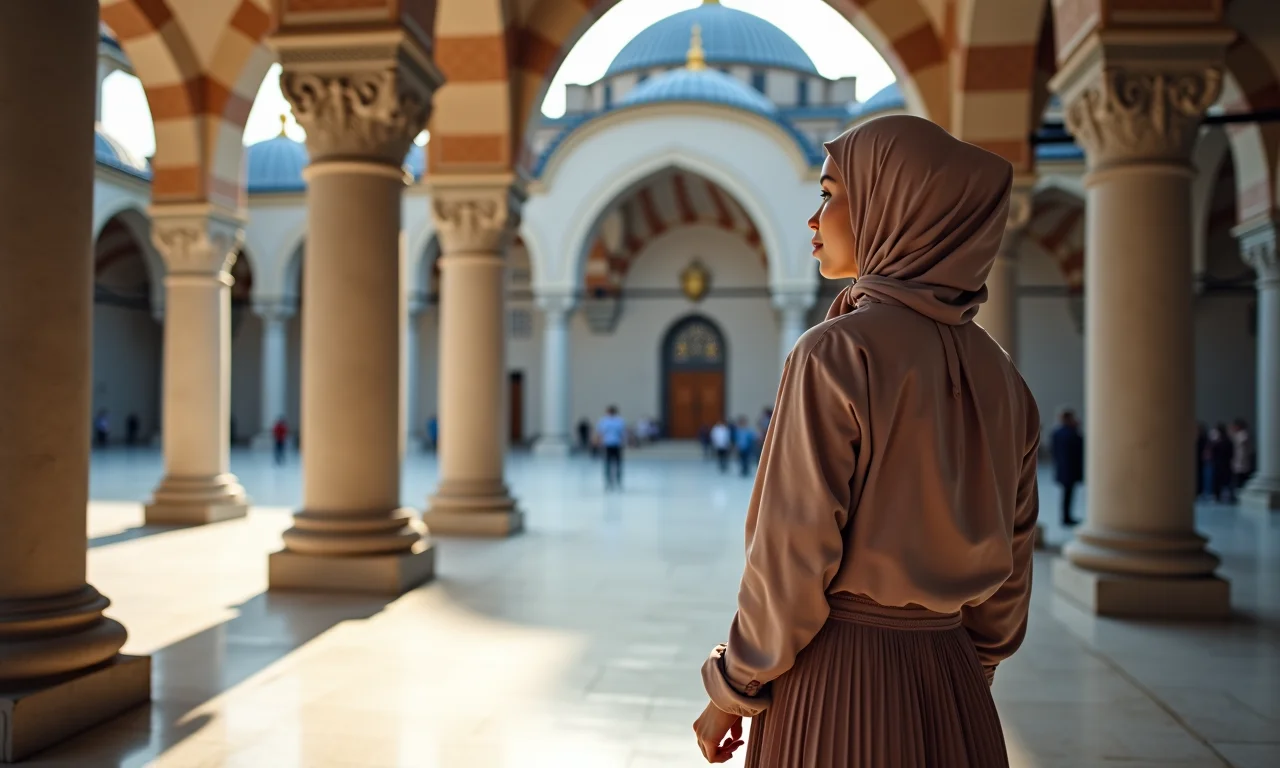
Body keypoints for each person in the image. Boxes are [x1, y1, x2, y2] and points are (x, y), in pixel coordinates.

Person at [693, 116, 1038, 768]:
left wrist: (732, 688)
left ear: (892, 207)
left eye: (829, 194)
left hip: (837, 688)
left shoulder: (835, 353)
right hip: (959, 687)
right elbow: (1010, 576)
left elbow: (792, 559)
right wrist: (961, 678)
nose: (813, 219)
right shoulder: (1003, 377)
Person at [1051, 408, 1084, 526]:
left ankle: (1066, 516)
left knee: (1067, 494)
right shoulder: (1070, 433)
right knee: (1068, 494)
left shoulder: (1057, 432)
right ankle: (1066, 517)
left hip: (1063, 467)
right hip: (1070, 468)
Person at [596, 405, 627, 490]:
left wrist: (598, 442)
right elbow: (623, 434)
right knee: (617, 464)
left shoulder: (604, 421)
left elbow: (600, 433)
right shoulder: (619, 421)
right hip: (616, 444)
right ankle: (617, 481)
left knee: (608, 464)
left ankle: (609, 482)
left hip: (608, 444)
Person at [1210, 424, 1234, 502]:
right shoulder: (1227, 441)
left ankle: (1221, 495)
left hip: (1222, 463)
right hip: (1222, 463)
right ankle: (1221, 495)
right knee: (1223, 481)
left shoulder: (1221, 442)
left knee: (1222, 481)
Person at [1230, 418, 1253, 494]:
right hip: (1238, 460)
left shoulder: (1243, 435)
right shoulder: (1238, 435)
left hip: (1242, 461)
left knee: (1241, 480)